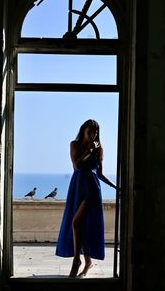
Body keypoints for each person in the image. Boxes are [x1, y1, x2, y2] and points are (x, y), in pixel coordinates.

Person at [55, 119, 118, 278]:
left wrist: (115, 187)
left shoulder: (99, 149)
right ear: (83, 131)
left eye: (95, 133)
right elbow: (77, 165)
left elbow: (100, 173)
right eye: (90, 132)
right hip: (77, 188)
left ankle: (77, 260)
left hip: (92, 190)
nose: (92, 135)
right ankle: (87, 261)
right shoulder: (74, 145)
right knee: (80, 225)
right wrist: (88, 151)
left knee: (76, 223)